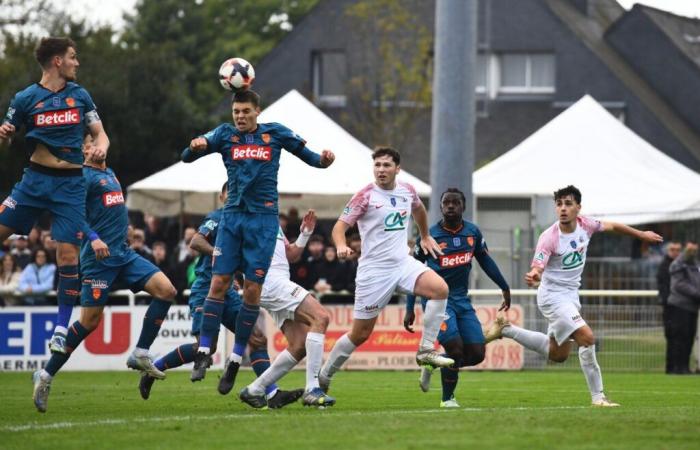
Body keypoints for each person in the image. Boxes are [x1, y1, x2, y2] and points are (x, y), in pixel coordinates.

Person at [181, 89, 334, 377]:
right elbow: (186, 157)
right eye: (236, 111)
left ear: (257, 111)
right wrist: (195, 147)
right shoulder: (225, 134)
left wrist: (324, 160)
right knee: (219, 282)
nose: (240, 116)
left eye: (245, 111)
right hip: (233, 219)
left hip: (263, 222)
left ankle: (238, 357)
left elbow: (312, 158)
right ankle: (203, 351)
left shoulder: (275, 134)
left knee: (252, 291)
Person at [31, 136, 175, 413]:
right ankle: (46, 375)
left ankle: (140, 352)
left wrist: (128, 228)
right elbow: (72, 214)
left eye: (96, 141)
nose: (94, 146)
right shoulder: (82, 176)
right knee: (88, 322)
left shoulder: (109, 172)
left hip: (124, 254)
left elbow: (112, 208)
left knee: (166, 290)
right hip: (98, 260)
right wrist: (94, 238)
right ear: (82, 150)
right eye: (88, 144)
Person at [485, 185, 663, 407]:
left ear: (578, 207)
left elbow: (614, 225)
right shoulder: (549, 237)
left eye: (568, 204)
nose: (563, 208)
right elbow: (537, 267)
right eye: (559, 204)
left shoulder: (585, 225)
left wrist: (641, 235)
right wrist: (533, 274)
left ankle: (507, 329)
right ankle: (598, 397)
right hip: (552, 297)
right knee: (587, 338)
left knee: (558, 354)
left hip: (570, 297)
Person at [140, 182, 303, 409]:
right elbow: (195, 241)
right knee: (205, 348)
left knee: (257, 339)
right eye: (231, 193)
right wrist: (219, 252)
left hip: (229, 293)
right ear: (222, 197)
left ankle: (272, 392)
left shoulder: (245, 222)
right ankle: (154, 369)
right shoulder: (217, 217)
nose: (235, 197)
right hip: (206, 290)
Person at [0, 37, 110, 353]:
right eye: (73, 57)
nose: (77, 62)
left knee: (67, 255)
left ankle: (61, 329)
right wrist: (4, 136)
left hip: (71, 185)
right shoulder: (25, 98)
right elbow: (5, 140)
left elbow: (100, 133)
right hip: (34, 182)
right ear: (58, 61)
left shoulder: (80, 96)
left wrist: (101, 147)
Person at [318, 147, 454, 394]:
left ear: (397, 169)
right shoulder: (365, 196)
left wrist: (425, 236)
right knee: (360, 334)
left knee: (440, 289)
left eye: (386, 165)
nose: (381, 170)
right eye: (377, 165)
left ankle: (425, 350)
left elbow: (419, 210)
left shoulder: (407, 191)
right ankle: (325, 373)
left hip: (402, 263)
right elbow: (339, 228)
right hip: (374, 271)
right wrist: (340, 246)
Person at [404, 188, 511, 408]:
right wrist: (409, 308)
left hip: (462, 300)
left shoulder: (472, 233)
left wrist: (504, 286)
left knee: (476, 353)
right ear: (441, 207)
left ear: (463, 206)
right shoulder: (429, 235)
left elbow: (485, 261)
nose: (450, 206)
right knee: (455, 348)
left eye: (455, 203)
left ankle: (432, 364)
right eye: (446, 203)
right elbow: (411, 271)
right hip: (437, 301)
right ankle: (447, 399)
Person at [237, 209, 335, 408]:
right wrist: (233, 276)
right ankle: (312, 388)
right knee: (321, 317)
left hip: (276, 282)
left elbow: (292, 255)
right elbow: (229, 251)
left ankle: (254, 389)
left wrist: (305, 234)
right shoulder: (243, 218)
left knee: (299, 345)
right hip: (269, 281)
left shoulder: (271, 219)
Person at [666, 242, 700, 375]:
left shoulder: (694, 264)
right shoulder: (678, 264)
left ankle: (684, 366)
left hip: (691, 306)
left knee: (689, 337)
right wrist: (697, 294)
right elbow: (680, 285)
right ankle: (677, 367)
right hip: (679, 306)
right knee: (680, 337)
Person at [657, 241, 682, 373]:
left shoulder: (679, 265)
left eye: (678, 250)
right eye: (673, 250)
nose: (675, 252)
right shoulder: (665, 266)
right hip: (670, 306)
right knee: (671, 336)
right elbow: (663, 287)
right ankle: (671, 367)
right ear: (668, 251)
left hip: (678, 305)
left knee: (680, 336)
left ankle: (679, 366)